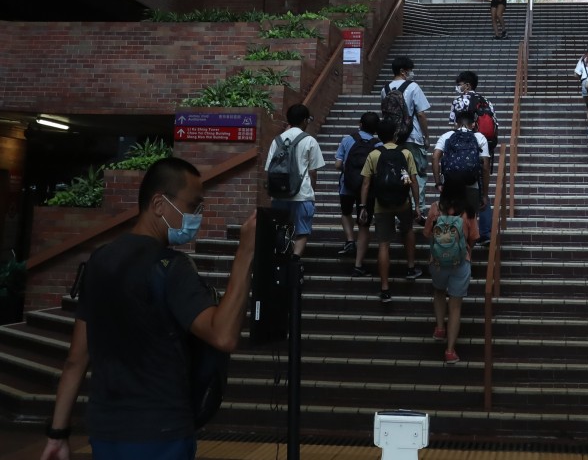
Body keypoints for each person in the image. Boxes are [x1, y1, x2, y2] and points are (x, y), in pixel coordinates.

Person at [40, 158, 257, 460]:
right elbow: (223, 336)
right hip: (161, 434)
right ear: (159, 204)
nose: (198, 216)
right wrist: (245, 253)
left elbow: (76, 359)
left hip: (105, 434)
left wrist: (57, 434)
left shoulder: (99, 261)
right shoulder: (170, 267)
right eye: (193, 206)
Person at [360, 119, 422, 301]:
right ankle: (411, 268)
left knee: (383, 244)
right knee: (408, 230)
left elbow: (365, 183)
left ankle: (385, 287)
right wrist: (417, 205)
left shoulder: (373, 154)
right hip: (403, 202)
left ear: (378, 135)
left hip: (381, 204)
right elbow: (413, 181)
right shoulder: (405, 152)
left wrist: (363, 206)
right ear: (396, 134)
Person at [423, 175, 479, 365]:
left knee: (439, 291)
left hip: (437, 261)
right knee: (455, 306)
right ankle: (450, 351)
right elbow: (474, 237)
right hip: (460, 263)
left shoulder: (435, 208)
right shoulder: (468, 211)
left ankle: (440, 328)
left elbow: (426, 233)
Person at [264, 103, 325, 258]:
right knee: (302, 230)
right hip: (302, 194)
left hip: (279, 194)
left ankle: (279, 259)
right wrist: (312, 191)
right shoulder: (309, 140)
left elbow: (268, 169)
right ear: (305, 120)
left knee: (279, 227)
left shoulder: (277, 140)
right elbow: (313, 171)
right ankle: (294, 261)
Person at [449, 71, 498, 245]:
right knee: (481, 193)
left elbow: (455, 124)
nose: (458, 87)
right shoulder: (486, 101)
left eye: (460, 83)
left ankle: (460, 230)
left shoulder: (459, 101)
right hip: (481, 148)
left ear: (467, 85)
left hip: (461, 151)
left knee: (459, 191)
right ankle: (484, 232)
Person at [381, 56, 431, 224]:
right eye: (409, 69)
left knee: (397, 173)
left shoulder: (385, 89)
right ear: (403, 71)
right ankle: (420, 210)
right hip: (412, 137)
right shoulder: (413, 87)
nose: (411, 72)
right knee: (417, 173)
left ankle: (396, 211)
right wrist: (426, 136)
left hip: (392, 138)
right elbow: (421, 114)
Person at [334, 111, 382, 275]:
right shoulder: (378, 144)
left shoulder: (348, 139)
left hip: (347, 185)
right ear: (376, 129)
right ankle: (358, 264)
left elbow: (337, 164)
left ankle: (349, 240)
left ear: (360, 124)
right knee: (364, 225)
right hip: (368, 190)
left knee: (345, 212)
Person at [433, 98, 490, 235]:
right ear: (473, 124)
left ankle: (451, 249)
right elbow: (486, 166)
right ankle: (467, 253)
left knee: (450, 219)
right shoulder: (479, 137)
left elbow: (435, 157)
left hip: (450, 185)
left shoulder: (447, 136)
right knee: (470, 220)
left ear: (456, 124)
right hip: (472, 185)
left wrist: (438, 182)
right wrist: (484, 194)